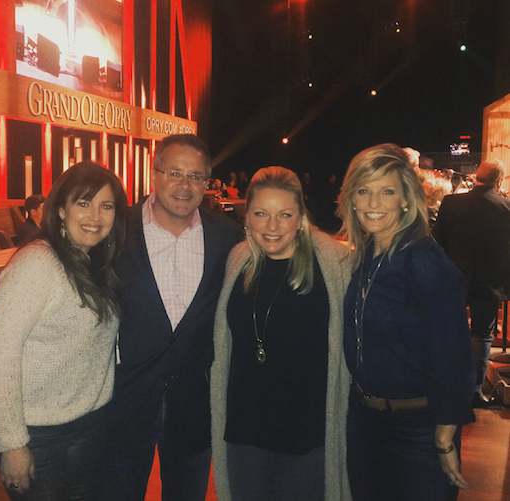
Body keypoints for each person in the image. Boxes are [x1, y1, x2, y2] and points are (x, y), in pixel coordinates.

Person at [103, 134, 242, 501]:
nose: (185, 185)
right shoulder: (116, 228)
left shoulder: (227, 236)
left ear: (206, 183)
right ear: (154, 174)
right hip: (125, 402)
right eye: (175, 172)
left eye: (196, 176)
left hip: (194, 404)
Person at [0, 162, 128, 500]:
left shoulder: (94, 264)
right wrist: (12, 443)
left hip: (88, 426)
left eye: (106, 206)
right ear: (60, 209)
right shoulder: (37, 264)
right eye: (83, 203)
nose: (95, 215)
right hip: (38, 436)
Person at [337, 143, 475, 501]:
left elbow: (455, 357)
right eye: (363, 191)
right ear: (351, 198)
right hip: (366, 422)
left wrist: (444, 439)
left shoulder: (425, 263)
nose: (373, 203)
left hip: (418, 429)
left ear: (405, 199)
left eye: (387, 192)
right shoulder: (369, 252)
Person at [211, 166, 352, 501]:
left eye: (284, 214)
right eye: (261, 213)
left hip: (307, 436)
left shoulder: (335, 265)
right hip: (245, 432)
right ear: (247, 218)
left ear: (300, 218)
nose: (272, 226)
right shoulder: (237, 262)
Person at [434, 159, 510, 407]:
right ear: (498, 180)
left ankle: (445, 385)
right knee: (482, 335)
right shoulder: (506, 208)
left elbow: (438, 242)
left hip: (453, 278)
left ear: (477, 175)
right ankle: (474, 392)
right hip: (489, 283)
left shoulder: (452, 203)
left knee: (448, 330)